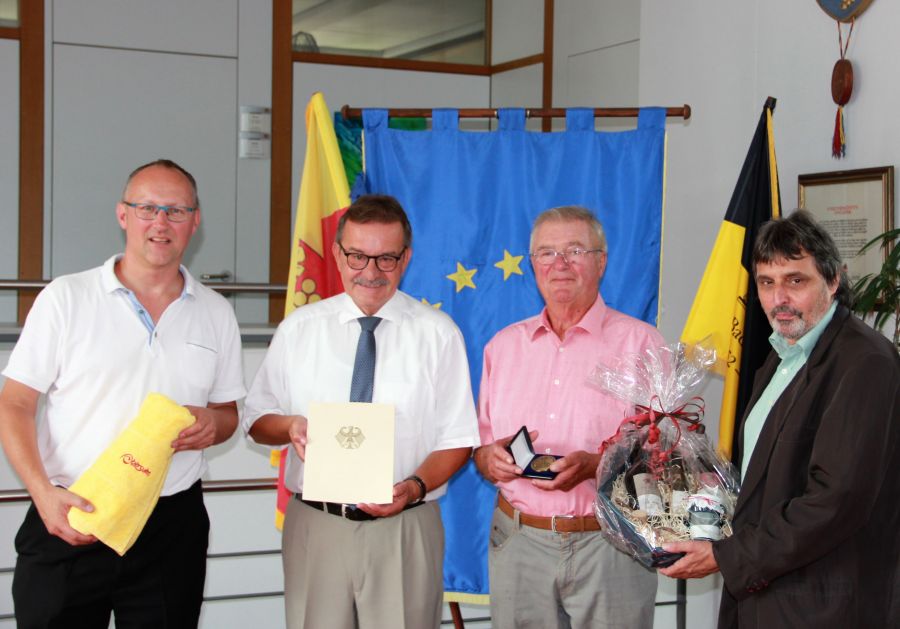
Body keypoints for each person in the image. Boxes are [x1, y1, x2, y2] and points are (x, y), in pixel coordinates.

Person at [0, 159, 246, 628]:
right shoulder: (66, 297)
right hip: (72, 513)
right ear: (122, 214)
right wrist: (43, 495)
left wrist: (215, 424)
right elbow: (14, 404)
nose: (160, 222)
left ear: (195, 222)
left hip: (171, 526)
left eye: (176, 211)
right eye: (147, 208)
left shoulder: (216, 313)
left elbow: (228, 413)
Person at [241, 194, 479, 629]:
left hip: (405, 525)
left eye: (386, 258)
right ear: (336, 253)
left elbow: (458, 439)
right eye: (357, 256)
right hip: (317, 524)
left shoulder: (439, 335)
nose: (370, 272)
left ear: (406, 258)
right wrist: (290, 426)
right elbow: (256, 420)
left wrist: (412, 487)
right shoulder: (300, 329)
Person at [660, 210, 900, 628]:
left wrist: (726, 556)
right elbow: (768, 472)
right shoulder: (782, 355)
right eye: (767, 283)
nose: (778, 299)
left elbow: (834, 501)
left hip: (824, 603)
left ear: (833, 280)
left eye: (795, 280)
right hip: (768, 594)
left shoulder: (865, 363)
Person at [474, 205, 664, 629]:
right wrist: (490, 459)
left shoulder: (642, 344)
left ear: (601, 261)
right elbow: (481, 452)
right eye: (546, 253)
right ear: (532, 265)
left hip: (611, 543)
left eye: (575, 250)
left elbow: (665, 459)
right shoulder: (501, 348)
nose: (559, 264)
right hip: (519, 542)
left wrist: (599, 467)